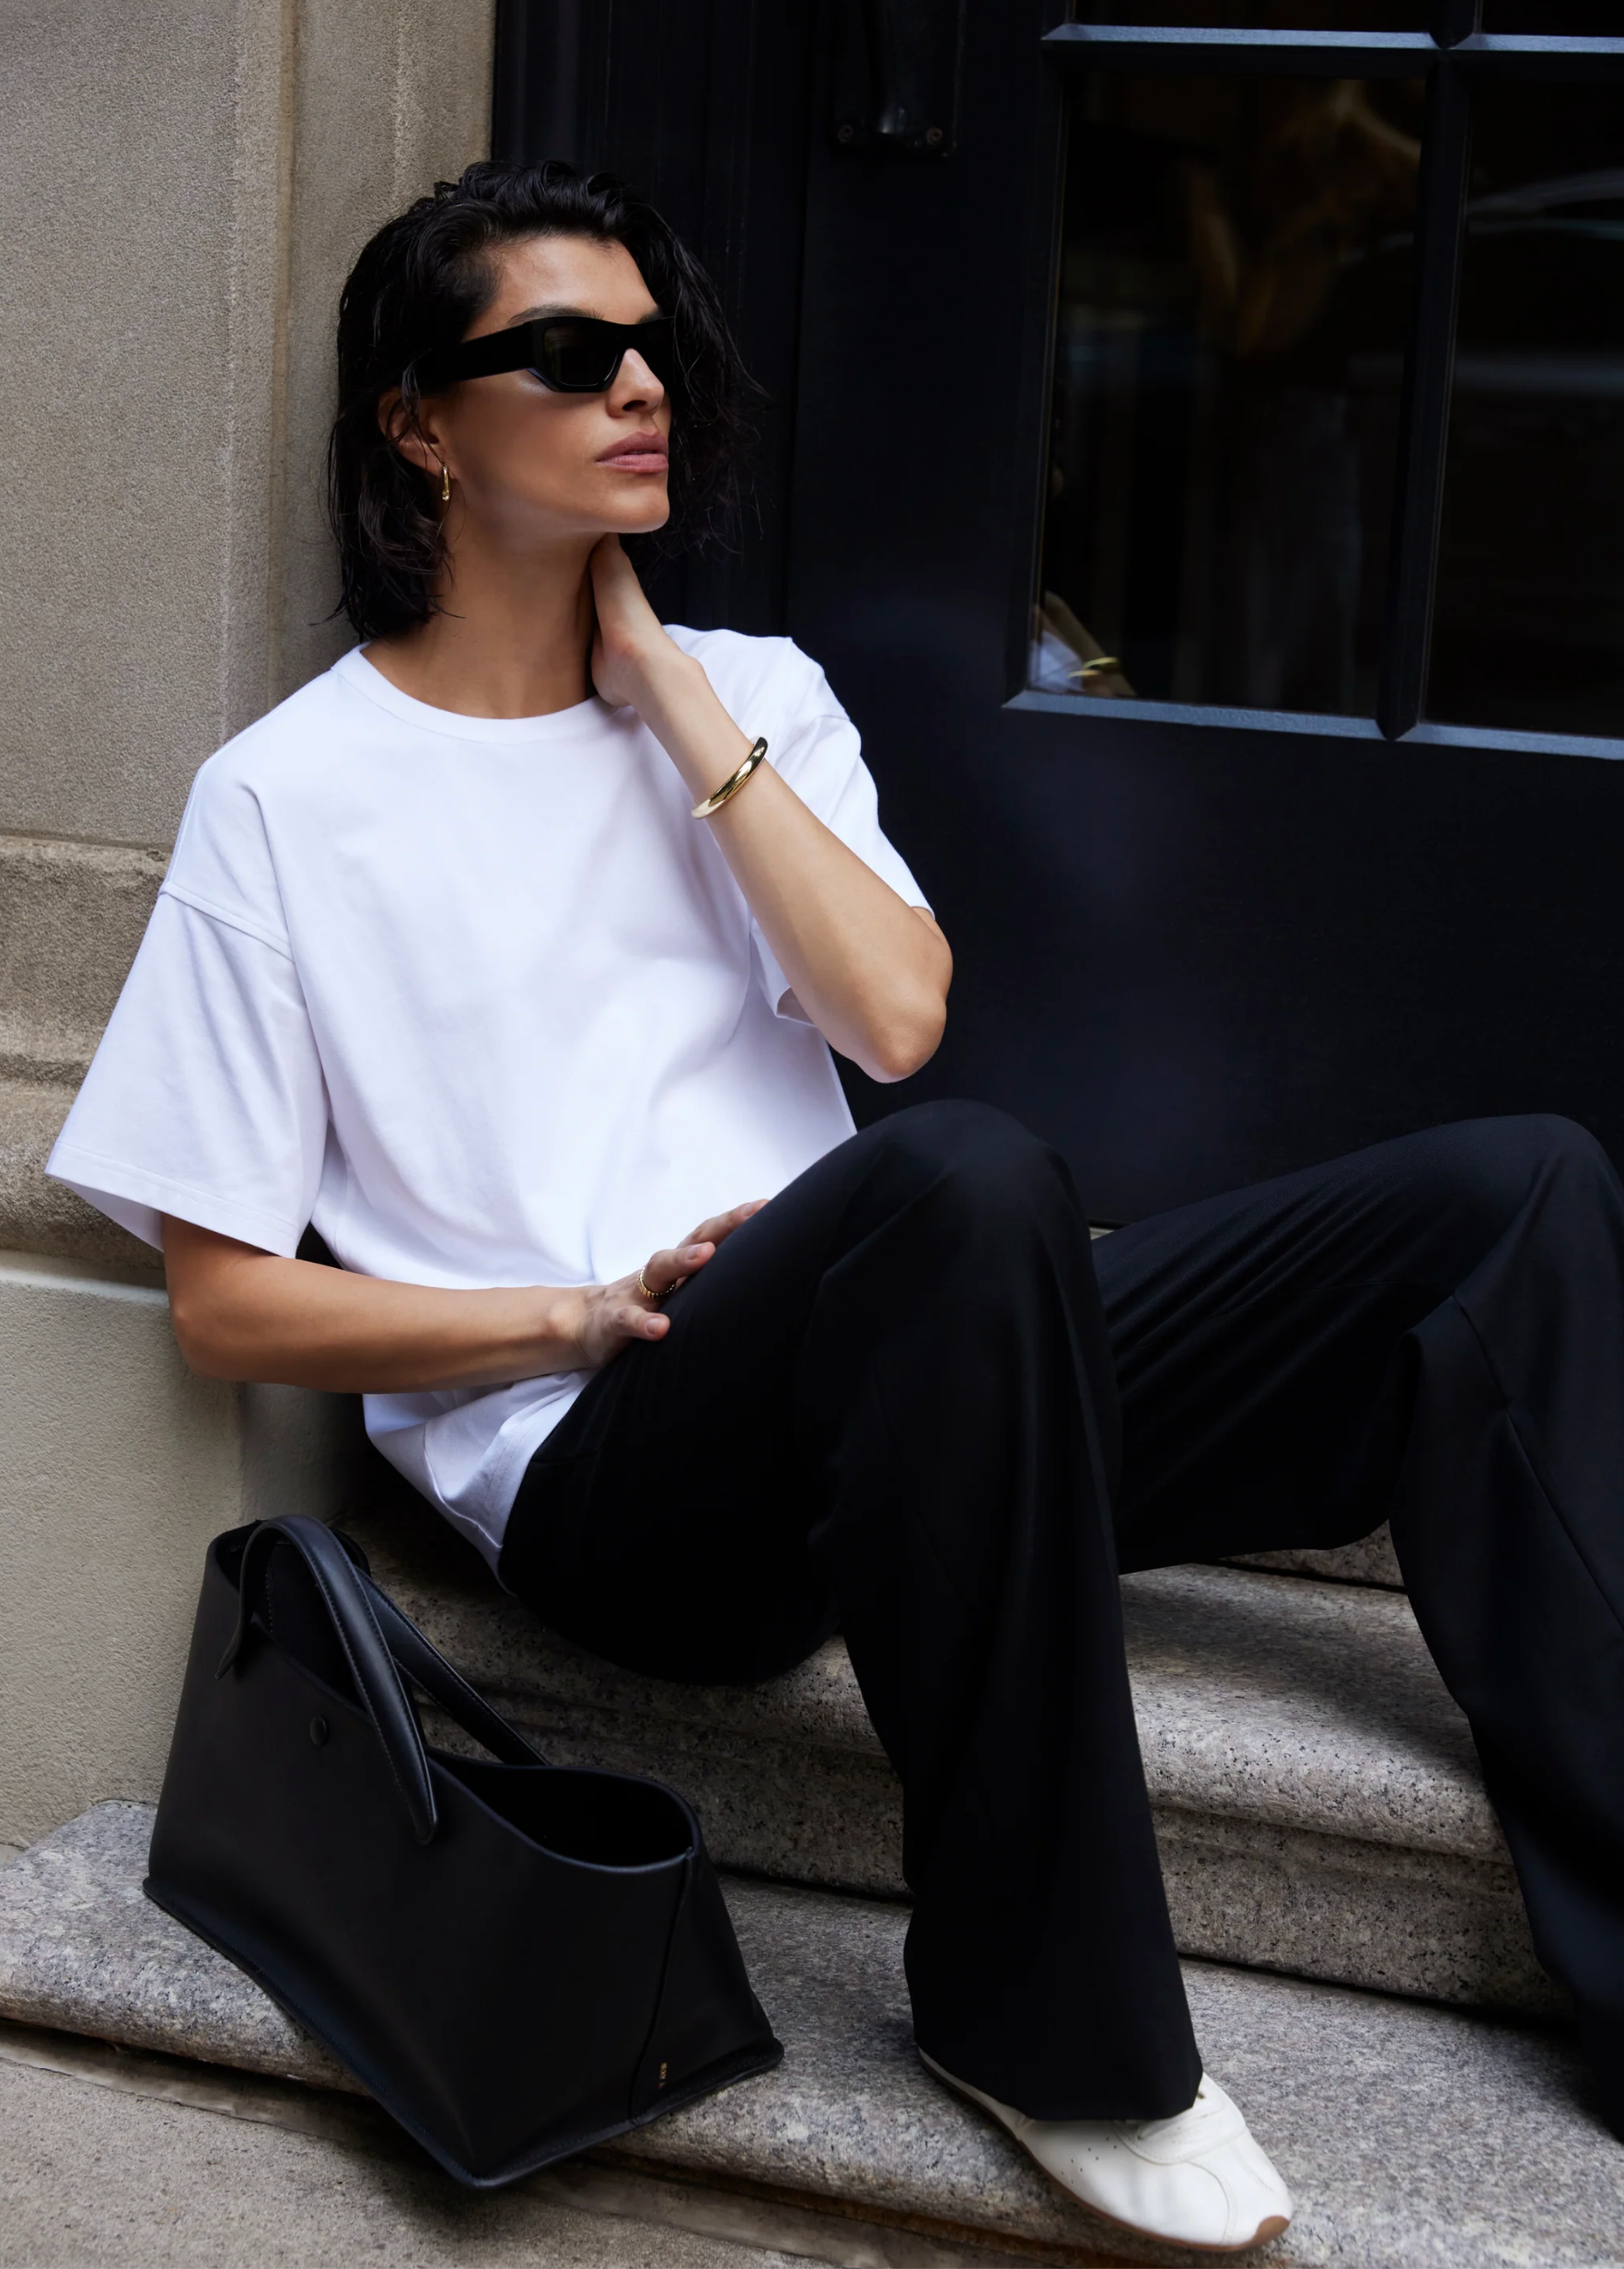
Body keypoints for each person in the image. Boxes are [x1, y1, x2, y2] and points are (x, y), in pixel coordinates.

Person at [47, 160, 1624, 2252]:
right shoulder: (287, 798)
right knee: (958, 1187)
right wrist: (570, 1317)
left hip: (917, 1346)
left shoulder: (755, 694)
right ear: (418, 423)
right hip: (627, 1458)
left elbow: (894, 1008)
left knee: (1516, 1190)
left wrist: (669, 702)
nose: (637, 388)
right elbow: (232, 1304)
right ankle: (1054, 2027)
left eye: (652, 349)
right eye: (565, 353)